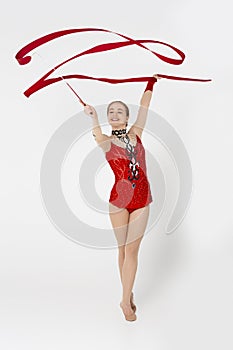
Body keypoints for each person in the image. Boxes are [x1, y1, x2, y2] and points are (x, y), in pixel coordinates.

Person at [84, 74, 161, 321]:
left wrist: (152, 82)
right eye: (111, 112)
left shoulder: (137, 133)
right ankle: (127, 297)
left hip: (141, 198)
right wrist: (94, 119)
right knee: (122, 249)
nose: (115, 114)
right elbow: (97, 136)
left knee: (132, 250)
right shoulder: (106, 141)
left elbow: (145, 106)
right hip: (119, 200)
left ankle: (124, 299)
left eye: (120, 111)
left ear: (127, 117)